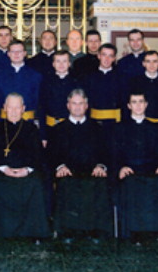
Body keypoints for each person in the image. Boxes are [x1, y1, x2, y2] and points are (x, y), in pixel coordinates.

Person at [0, 93, 50, 242]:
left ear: (23, 109)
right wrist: (4, 168)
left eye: (17, 107)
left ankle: (35, 233)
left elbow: (37, 155)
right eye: (10, 107)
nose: (13, 111)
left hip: (26, 171)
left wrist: (26, 170)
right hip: (1, 171)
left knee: (36, 184)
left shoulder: (31, 128)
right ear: (4, 108)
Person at [48, 89, 112, 242]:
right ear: (68, 106)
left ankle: (95, 230)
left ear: (86, 106)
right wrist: (59, 166)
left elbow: (106, 152)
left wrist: (101, 166)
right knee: (65, 183)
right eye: (74, 103)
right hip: (68, 171)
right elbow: (51, 154)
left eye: (81, 104)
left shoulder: (98, 128)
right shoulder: (58, 129)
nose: (77, 107)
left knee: (100, 183)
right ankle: (67, 230)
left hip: (92, 170)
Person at [115, 92, 158, 244]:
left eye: (141, 101)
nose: (138, 105)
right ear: (129, 106)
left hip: (151, 167)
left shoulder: (155, 128)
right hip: (129, 168)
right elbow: (114, 152)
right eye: (134, 102)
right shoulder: (120, 128)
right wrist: (121, 167)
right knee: (132, 183)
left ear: (146, 104)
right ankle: (135, 231)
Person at [81, 43, 123, 151]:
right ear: (98, 56)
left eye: (110, 56)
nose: (107, 59)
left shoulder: (121, 77)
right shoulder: (89, 77)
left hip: (115, 123)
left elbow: (124, 103)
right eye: (104, 55)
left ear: (114, 58)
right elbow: (85, 103)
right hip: (94, 122)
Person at [0, 40, 42, 121]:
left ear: (25, 53)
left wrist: (37, 119)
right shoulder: (0, 74)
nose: (16, 54)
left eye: (19, 51)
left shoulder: (35, 75)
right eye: (13, 51)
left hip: (27, 120)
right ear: (8, 54)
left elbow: (38, 101)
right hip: (4, 120)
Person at [38, 50, 81, 138]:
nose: (61, 64)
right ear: (53, 64)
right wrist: (43, 135)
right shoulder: (46, 82)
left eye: (64, 61)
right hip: (51, 128)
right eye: (58, 61)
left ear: (69, 63)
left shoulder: (77, 82)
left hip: (71, 129)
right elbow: (42, 108)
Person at [126, 51, 158, 130]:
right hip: (141, 125)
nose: (151, 65)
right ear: (143, 64)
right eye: (148, 61)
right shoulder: (135, 82)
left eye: (155, 61)